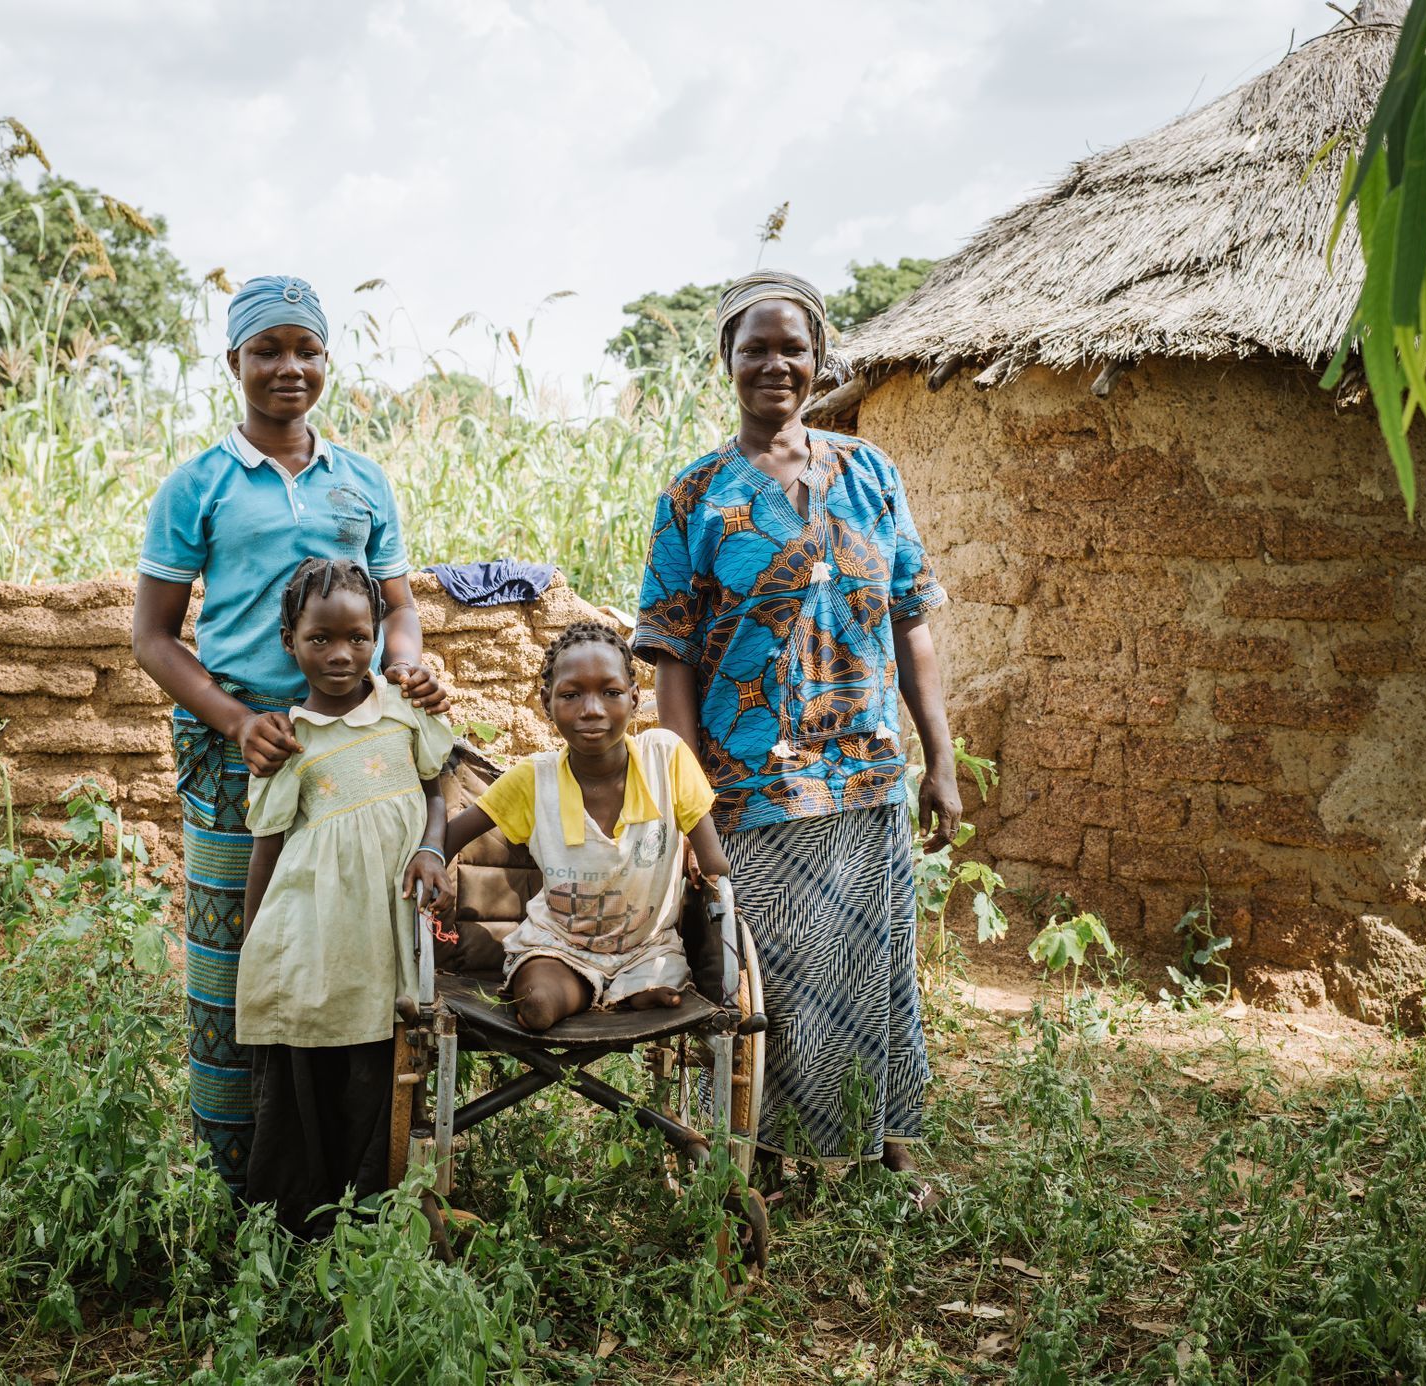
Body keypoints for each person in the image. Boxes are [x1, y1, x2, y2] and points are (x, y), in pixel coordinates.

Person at [632, 271, 959, 1204]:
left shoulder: (871, 474)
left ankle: (884, 1148)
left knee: (873, 961)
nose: (776, 364)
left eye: (794, 348)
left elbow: (911, 620)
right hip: (747, 787)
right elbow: (670, 656)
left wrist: (939, 760)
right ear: (727, 363)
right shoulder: (694, 495)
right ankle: (762, 1157)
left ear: (819, 362)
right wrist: (688, 792)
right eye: (756, 349)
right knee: (759, 980)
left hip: (864, 773)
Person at [131, 274, 447, 1198]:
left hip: (361, 752)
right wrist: (236, 720)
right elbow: (153, 637)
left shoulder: (362, 481)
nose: (288, 368)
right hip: (249, 755)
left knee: (361, 952)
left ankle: (360, 1170)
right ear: (233, 362)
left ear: (326, 360)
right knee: (247, 950)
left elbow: (398, 608)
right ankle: (242, 1176)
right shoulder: (199, 485)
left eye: (305, 349)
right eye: (266, 350)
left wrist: (408, 664)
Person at [235, 558, 453, 1235]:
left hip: (386, 925)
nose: (340, 654)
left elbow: (435, 791)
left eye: (358, 638)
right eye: (319, 639)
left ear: (380, 636)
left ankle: (372, 1216)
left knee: (379, 1062)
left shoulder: (406, 712)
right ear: (288, 641)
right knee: (312, 1054)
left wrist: (431, 847)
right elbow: (269, 846)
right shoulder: (286, 739)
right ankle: (300, 1226)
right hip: (314, 929)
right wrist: (251, 946)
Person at [425, 621, 730, 1033]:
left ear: (635, 698)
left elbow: (714, 864)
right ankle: (597, 990)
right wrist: (430, 859)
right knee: (537, 1006)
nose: (592, 709)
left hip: (647, 950)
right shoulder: (535, 779)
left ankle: (630, 987)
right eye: (571, 695)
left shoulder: (666, 759)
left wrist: (707, 879)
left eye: (611, 693)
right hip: (559, 947)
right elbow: (451, 838)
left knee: (666, 988)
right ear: (547, 702)